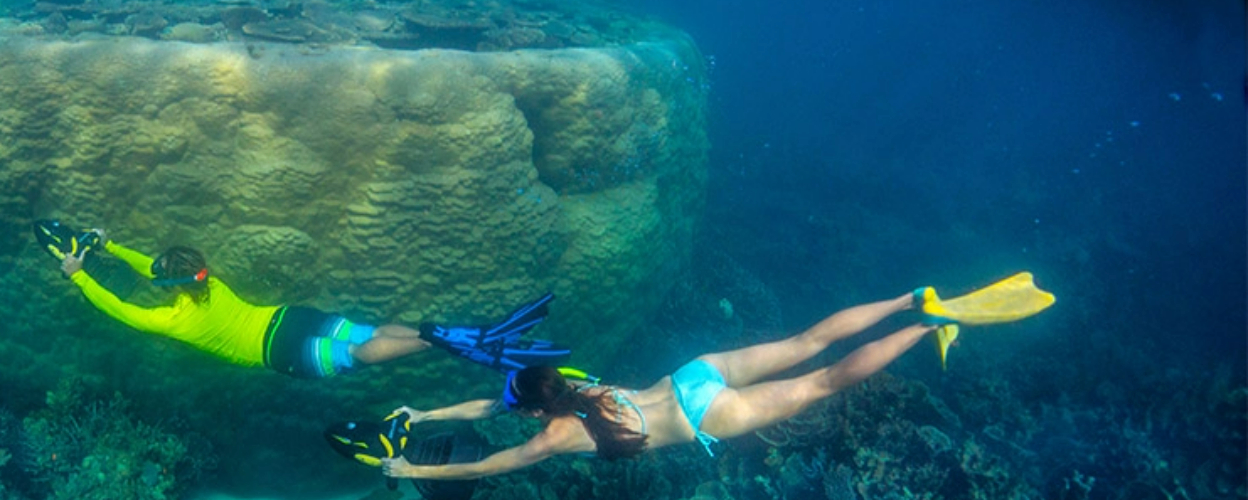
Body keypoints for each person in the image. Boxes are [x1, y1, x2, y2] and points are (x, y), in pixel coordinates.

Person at [380, 278, 1051, 479]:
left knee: (824, 384)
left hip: (704, 419)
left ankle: (935, 325)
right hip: (691, 375)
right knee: (808, 341)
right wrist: (424, 414)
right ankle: (914, 299)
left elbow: (489, 464)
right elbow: (488, 404)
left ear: (530, 411)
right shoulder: (576, 387)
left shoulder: (552, 435)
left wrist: (415, 471)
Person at [56, 228, 568, 379]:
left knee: (355, 355)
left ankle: (443, 342)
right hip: (288, 316)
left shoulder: (173, 319)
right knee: (365, 334)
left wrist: (81, 276)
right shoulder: (209, 281)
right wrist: (108, 248)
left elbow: (122, 308)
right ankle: (448, 332)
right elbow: (157, 267)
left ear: (173, 285)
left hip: (280, 354)